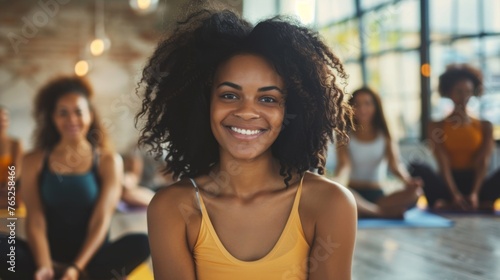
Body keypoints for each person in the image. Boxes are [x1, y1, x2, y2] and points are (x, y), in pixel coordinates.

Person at [141, 4, 357, 280]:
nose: (245, 111)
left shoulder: (330, 204)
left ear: (291, 110)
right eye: (229, 95)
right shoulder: (171, 208)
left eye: (268, 99)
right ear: (203, 103)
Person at [0, 76, 150, 280]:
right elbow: (35, 219)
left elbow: (101, 220)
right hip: (45, 257)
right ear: (53, 118)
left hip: (91, 259)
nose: (71, 119)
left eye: (78, 112)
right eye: (63, 112)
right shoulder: (33, 160)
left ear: (90, 115)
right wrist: (45, 266)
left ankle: (82, 275)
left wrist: (76, 268)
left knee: (143, 242)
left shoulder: (108, 161)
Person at [411, 64, 500, 211]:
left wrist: (474, 193)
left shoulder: (485, 126)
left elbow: (483, 161)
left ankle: (473, 201)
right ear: (449, 92)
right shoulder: (436, 126)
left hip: (476, 181)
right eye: (459, 91)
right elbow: (443, 162)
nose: (464, 96)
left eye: (468, 91)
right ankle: (453, 201)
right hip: (448, 182)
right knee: (416, 166)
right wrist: (455, 194)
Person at [334, 88, 423, 218]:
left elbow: (395, 165)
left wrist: (408, 181)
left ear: (376, 107)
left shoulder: (385, 136)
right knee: (339, 194)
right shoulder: (344, 135)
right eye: (357, 104)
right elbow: (344, 165)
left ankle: (368, 211)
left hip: (379, 196)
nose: (362, 109)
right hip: (354, 192)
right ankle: (380, 213)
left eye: (367, 103)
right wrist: (337, 182)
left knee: (416, 193)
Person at [0, 105, 23, 209]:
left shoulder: (15, 144)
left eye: (4, 119)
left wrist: (8, 184)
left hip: (10, 190)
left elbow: (16, 168)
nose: (2, 123)